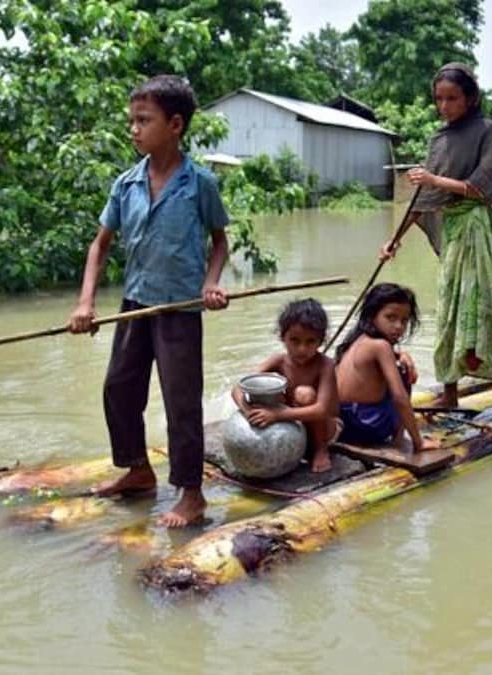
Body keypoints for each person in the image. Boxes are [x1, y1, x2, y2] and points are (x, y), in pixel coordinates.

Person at [67, 75, 230, 528]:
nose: (134, 130)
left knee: (181, 401)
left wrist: (211, 284)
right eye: (132, 121)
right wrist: (85, 304)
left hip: (179, 310)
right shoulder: (126, 184)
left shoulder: (200, 184)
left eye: (144, 120)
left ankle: (191, 494)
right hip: (136, 305)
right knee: (119, 389)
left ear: (175, 125)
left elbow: (219, 242)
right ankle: (138, 471)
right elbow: (99, 245)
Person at [382, 63, 492, 429]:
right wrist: (394, 240)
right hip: (454, 235)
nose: (444, 105)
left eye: (452, 98)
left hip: (482, 232)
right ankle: (450, 391)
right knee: (450, 309)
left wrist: (435, 177)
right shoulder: (439, 140)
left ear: (470, 98)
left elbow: (486, 184)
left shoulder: (488, 131)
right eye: (439, 99)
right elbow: (424, 198)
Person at [231, 299, 340, 473]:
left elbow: (322, 409)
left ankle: (320, 450)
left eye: (310, 342)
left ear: (321, 341)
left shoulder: (325, 365)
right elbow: (239, 388)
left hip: (325, 428)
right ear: (283, 337)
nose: (302, 349)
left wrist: (278, 414)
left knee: (304, 394)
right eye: (294, 341)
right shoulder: (279, 361)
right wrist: (248, 411)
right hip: (294, 422)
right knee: (268, 392)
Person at [334, 283, 441, 453]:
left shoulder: (357, 340)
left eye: (404, 320)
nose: (399, 326)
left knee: (400, 364)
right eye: (391, 318)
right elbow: (399, 397)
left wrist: (400, 355)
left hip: (341, 424)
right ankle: (400, 438)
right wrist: (418, 442)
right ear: (372, 316)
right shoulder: (381, 346)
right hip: (365, 427)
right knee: (402, 372)